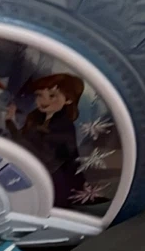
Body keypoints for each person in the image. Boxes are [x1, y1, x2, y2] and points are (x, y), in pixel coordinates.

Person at [5, 73, 85, 206]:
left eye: (52, 96)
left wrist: (12, 126)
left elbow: (43, 157)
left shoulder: (64, 128)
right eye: (39, 95)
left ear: (68, 100)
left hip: (54, 186)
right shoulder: (35, 118)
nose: (44, 100)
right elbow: (23, 143)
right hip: (32, 177)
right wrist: (10, 122)